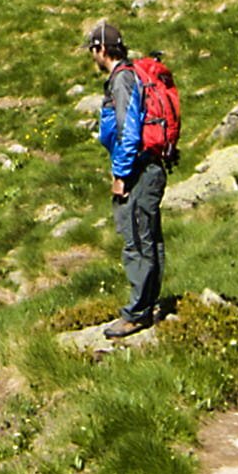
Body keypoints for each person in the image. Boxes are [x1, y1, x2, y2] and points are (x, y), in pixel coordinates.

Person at [87, 20, 180, 336]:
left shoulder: (123, 80)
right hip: (149, 167)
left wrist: (121, 175)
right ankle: (149, 304)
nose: (92, 57)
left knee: (137, 239)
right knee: (149, 238)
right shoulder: (131, 76)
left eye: (93, 51)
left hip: (138, 170)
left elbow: (129, 130)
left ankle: (137, 314)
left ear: (102, 49)